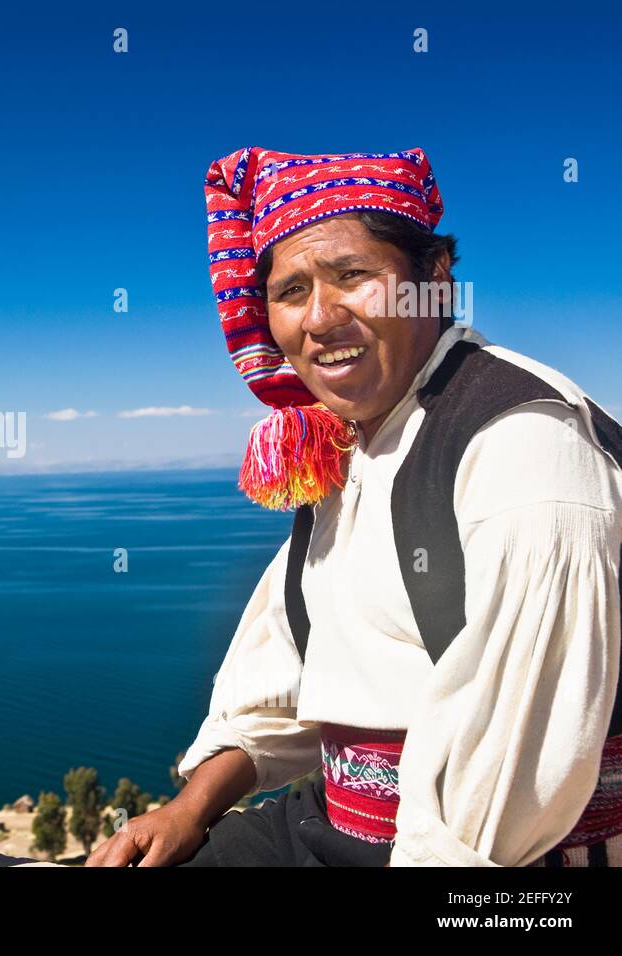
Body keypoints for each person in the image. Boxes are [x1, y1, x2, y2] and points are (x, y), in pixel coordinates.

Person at [87, 147, 622, 867]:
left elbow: (512, 779)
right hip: (333, 831)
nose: (321, 318)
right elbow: (283, 674)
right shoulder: (350, 453)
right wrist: (188, 809)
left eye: (352, 277)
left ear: (433, 281)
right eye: (291, 290)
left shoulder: (522, 440)